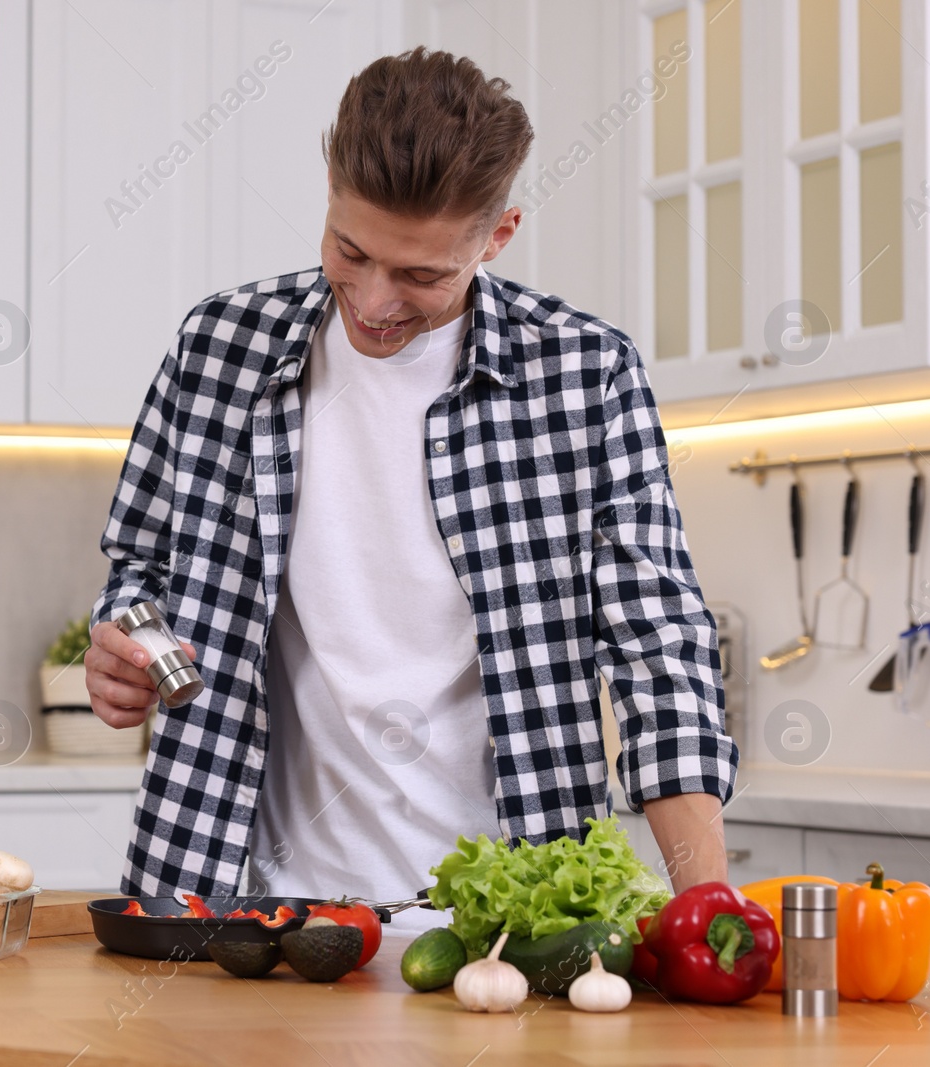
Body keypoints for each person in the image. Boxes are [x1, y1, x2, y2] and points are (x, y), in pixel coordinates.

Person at [85, 48, 735, 913]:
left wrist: (709, 909)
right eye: (350, 251)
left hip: (510, 917)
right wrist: (122, 647)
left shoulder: (582, 372)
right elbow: (139, 568)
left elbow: (659, 650)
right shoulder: (219, 347)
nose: (376, 301)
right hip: (248, 908)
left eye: (422, 275)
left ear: (497, 235)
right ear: (328, 189)